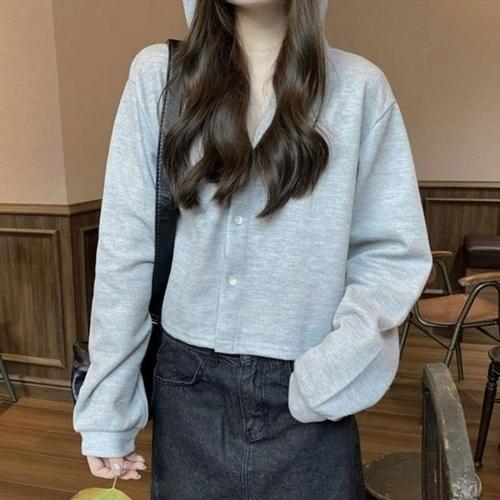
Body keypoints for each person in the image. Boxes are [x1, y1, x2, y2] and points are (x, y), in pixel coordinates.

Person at [73, 0, 432, 498]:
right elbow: (126, 251)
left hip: (309, 394)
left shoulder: (360, 88)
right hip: (187, 388)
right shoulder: (159, 77)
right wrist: (107, 408)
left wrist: (330, 370)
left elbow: (391, 253)